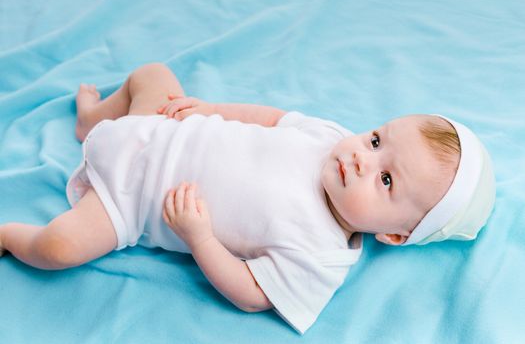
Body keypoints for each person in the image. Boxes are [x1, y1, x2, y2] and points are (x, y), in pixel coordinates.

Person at [0, 63, 496, 334]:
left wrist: (200, 238)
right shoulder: (328, 138)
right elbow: (271, 117)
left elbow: (254, 296)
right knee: (151, 75)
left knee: (59, 248)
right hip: (161, 125)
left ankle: (8, 236)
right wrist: (209, 108)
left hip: (132, 201)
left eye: (386, 181)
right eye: (375, 139)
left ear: (394, 233)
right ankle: (93, 121)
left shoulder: (321, 256)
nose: (363, 158)